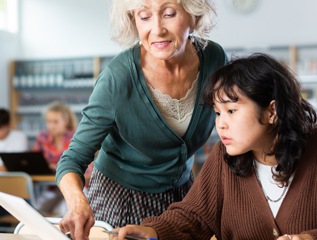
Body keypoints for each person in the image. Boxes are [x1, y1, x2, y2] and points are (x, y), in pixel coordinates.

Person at [112, 53, 317, 240]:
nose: (221, 124)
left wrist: (315, 238)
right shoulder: (223, 157)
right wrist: (152, 232)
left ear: (272, 112)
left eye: (231, 111)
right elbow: (192, 218)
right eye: (217, 113)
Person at [55, 0, 227, 239]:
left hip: (184, 198)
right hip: (121, 201)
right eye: (144, 17)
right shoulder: (117, 78)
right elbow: (72, 159)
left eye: (169, 14)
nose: (157, 29)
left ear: (193, 16)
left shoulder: (214, 58)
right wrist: (76, 201)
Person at [32, 101, 79, 172]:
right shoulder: (42, 137)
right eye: (48, 121)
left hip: (70, 179)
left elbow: (84, 166)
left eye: (55, 122)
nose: (52, 126)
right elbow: (33, 161)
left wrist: (57, 167)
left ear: (65, 121)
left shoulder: (75, 137)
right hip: (46, 180)